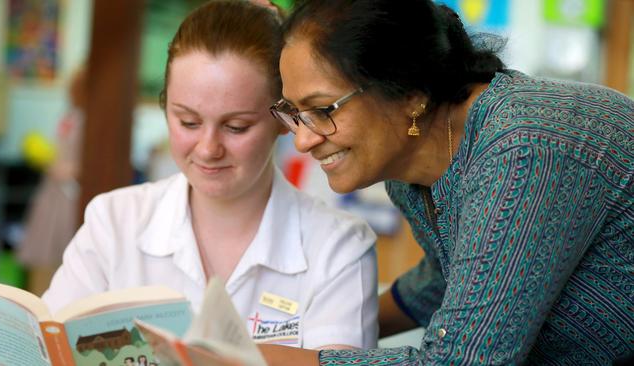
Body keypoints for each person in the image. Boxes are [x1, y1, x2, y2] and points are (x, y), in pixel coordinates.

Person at [261, 0, 634, 364]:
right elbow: (451, 281)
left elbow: (466, 357)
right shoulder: (409, 166)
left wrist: (257, 360)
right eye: (294, 113)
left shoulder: (521, 147)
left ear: (411, 93)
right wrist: (320, 324)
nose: (303, 139)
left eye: (323, 110)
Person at [42, 0, 378, 350]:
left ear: (284, 120)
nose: (207, 149)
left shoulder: (338, 248)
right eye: (188, 121)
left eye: (236, 127)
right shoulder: (113, 222)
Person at [17, 65, 87, 293]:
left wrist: (72, 169)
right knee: (44, 254)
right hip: (54, 191)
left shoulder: (91, 121)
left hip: (71, 193)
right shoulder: (70, 116)